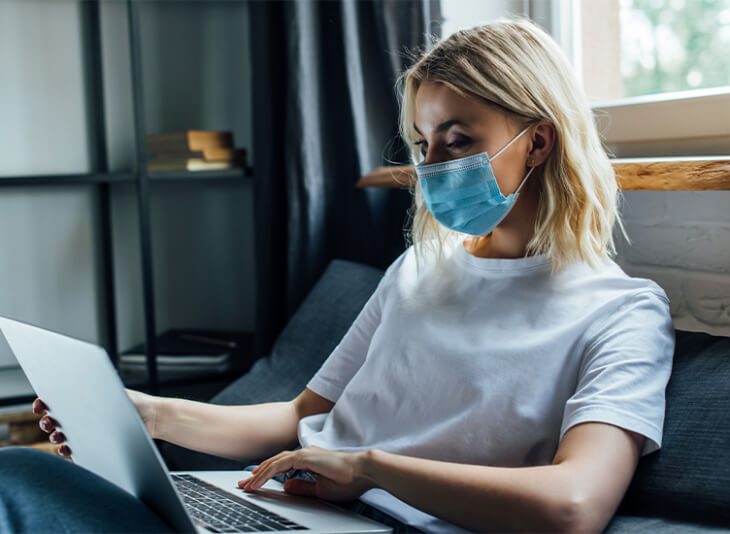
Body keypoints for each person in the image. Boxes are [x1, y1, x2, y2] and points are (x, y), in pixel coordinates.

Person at [1, 16, 675, 534]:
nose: (431, 164)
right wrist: (145, 416)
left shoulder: (621, 312)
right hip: (280, 508)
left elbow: (575, 506)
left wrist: (367, 471)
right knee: (20, 473)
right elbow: (298, 419)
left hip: (379, 523)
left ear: (538, 139)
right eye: (422, 142)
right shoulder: (418, 269)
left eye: (459, 139)